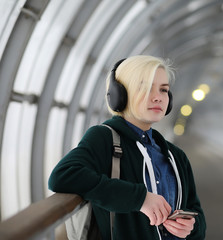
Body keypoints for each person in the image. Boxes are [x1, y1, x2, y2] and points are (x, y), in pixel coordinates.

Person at [48, 55, 206, 240]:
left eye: (163, 90)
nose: (157, 97)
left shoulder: (176, 156)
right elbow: (63, 175)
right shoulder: (104, 138)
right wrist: (140, 199)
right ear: (120, 95)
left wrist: (191, 227)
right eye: (145, 88)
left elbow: (197, 214)